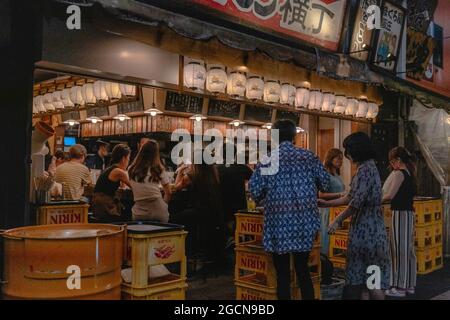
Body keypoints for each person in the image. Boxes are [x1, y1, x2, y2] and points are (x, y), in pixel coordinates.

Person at [249, 119, 330, 300]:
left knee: (283, 275)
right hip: (304, 223)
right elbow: (325, 183)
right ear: (295, 136)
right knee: (303, 271)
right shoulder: (309, 157)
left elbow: (254, 192)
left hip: (278, 225)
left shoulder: (267, 160)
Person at [322, 132, 390, 300]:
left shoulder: (364, 170)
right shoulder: (370, 167)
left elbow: (355, 203)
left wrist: (337, 221)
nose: (347, 156)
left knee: (369, 285)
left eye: (348, 151)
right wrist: (326, 204)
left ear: (357, 150)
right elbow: (351, 197)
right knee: (368, 284)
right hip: (375, 234)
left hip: (365, 236)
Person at [169, 163, 226, 269]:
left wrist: (180, 171)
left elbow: (176, 188)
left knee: (172, 219)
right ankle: (194, 251)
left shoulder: (192, 176)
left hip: (197, 212)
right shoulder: (214, 175)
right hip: (213, 214)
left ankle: (181, 254)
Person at [383, 147, 417, 297]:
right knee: (407, 250)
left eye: (392, 161)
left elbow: (389, 195)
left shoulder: (399, 174)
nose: (391, 164)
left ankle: (399, 287)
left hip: (400, 214)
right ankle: (409, 284)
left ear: (398, 160)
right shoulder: (409, 173)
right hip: (408, 214)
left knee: (398, 250)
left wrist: (372, 200)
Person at [217, 146, 254, 247]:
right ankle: (238, 241)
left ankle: (228, 239)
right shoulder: (242, 168)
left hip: (223, 206)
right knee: (239, 227)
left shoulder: (217, 169)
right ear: (235, 154)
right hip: (240, 206)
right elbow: (255, 180)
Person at [128, 140, 172, 222]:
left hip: (139, 213)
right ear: (156, 154)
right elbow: (169, 192)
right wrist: (164, 204)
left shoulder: (131, 169)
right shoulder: (158, 169)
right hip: (158, 212)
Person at [91, 144, 131, 220]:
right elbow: (134, 186)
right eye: (128, 158)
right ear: (123, 159)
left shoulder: (111, 168)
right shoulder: (118, 171)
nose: (129, 161)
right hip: (105, 205)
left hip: (98, 203)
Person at [319, 148, 345, 256]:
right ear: (331, 159)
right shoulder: (325, 174)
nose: (340, 161)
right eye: (338, 158)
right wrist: (340, 194)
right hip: (327, 210)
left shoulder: (337, 175)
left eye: (341, 159)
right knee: (327, 239)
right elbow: (320, 194)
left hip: (337, 210)